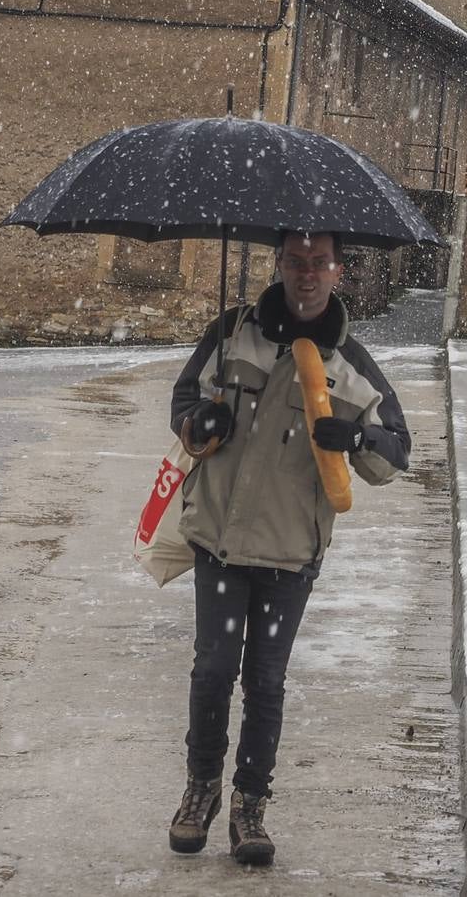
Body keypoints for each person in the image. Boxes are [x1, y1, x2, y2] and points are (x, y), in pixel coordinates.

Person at [165, 231, 410, 865]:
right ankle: (201, 790)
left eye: (319, 263)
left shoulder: (350, 361)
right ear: (279, 265)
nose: (307, 274)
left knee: (265, 681)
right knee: (213, 671)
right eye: (296, 262)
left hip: (290, 549)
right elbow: (184, 401)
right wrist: (201, 424)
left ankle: (250, 808)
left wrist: (355, 443)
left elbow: (397, 451)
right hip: (218, 536)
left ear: (338, 272)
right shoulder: (232, 331)